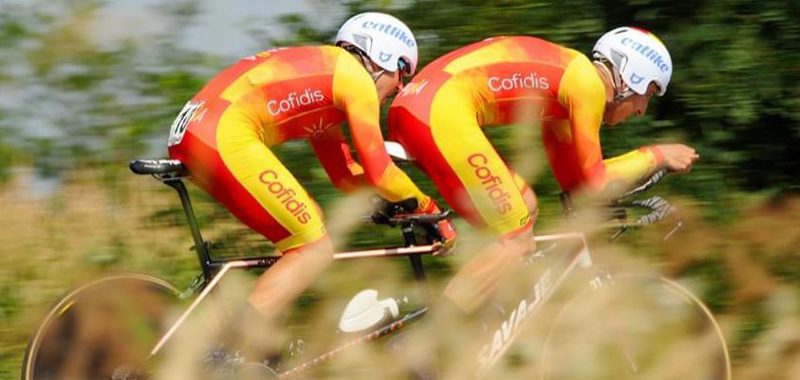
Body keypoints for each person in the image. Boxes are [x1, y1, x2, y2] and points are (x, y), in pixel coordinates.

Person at [166, 12, 454, 364]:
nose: (398, 87)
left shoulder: (325, 84)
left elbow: (346, 175)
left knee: (301, 237)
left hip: (197, 132)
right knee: (313, 248)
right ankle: (222, 359)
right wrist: (428, 209)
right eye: (401, 72)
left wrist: (390, 204)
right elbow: (380, 170)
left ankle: (199, 351)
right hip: (223, 133)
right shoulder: (354, 80)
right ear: (380, 57)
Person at [388, 27, 699, 317]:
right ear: (632, 76)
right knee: (517, 240)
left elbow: (577, 185)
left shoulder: (567, 93)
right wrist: (656, 155)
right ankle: (430, 345)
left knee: (526, 207)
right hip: (437, 112)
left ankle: (473, 316)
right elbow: (595, 182)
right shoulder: (587, 85)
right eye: (648, 93)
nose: (642, 109)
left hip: (418, 108)